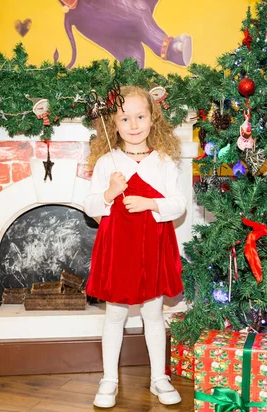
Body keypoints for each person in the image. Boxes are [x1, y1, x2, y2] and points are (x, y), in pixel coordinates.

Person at [84, 86, 185, 408]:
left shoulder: (164, 161)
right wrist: (110, 191)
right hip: (119, 249)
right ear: (113, 123)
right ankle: (109, 378)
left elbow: (178, 203)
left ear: (152, 119)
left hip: (153, 247)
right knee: (114, 314)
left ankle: (159, 377)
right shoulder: (106, 162)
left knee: (153, 314)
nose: (133, 124)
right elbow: (90, 206)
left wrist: (150, 203)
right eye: (125, 118)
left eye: (140, 116)